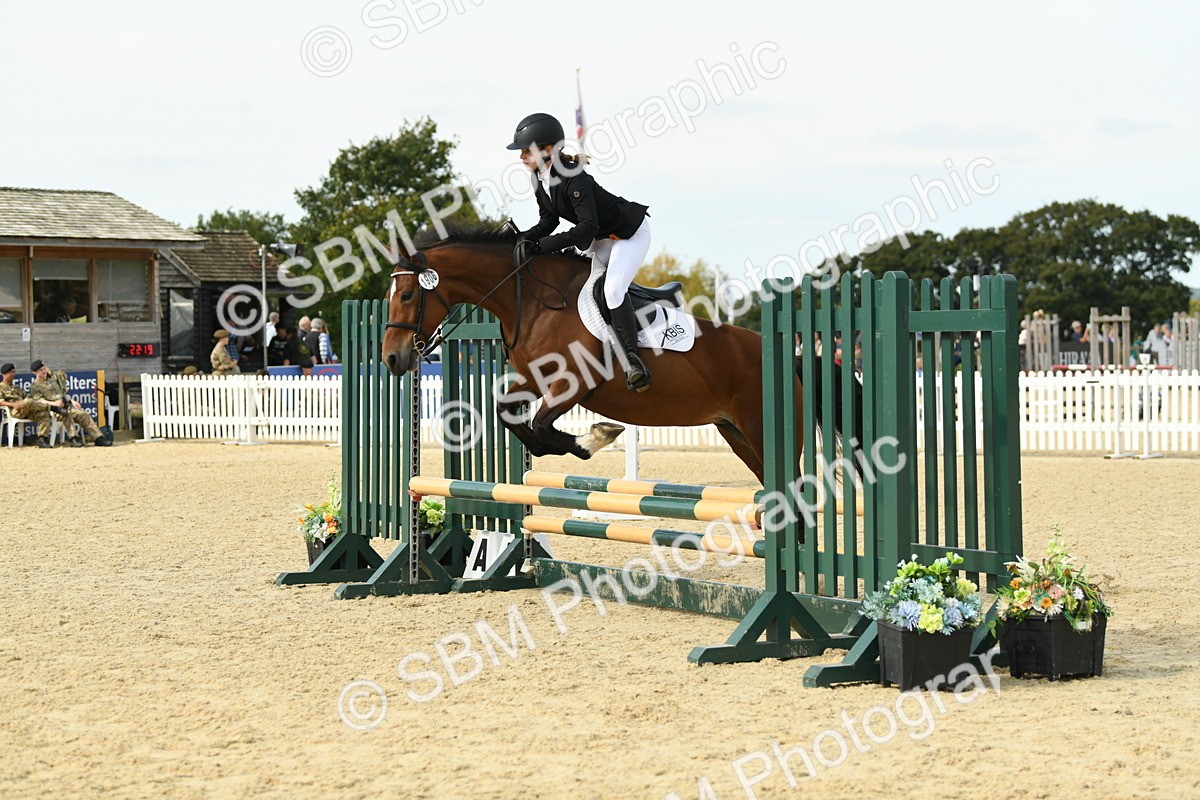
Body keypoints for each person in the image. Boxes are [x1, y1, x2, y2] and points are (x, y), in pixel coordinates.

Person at [507, 112, 652, 391]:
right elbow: (548, 221)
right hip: (601, 237)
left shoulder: (576, 179)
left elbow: (586, 228)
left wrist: (542, 246)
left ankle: (633, 361)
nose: (521, 156)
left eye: (527, 150)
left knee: (611, 291)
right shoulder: (539, 178)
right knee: (578, 286)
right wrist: (523, 238)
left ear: (548, 150)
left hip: (628, 234)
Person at [29, 360, 110, 446]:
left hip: (65, 405)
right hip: (53, 409)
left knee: (83, 414)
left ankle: (98, 438)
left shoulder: (52, 380)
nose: (44, 371)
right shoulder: (35, 386)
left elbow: (62, 394)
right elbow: (39, 401)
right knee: (66, 413)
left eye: (44, 368)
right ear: (35, 372)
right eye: (40, 370)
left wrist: (71, 401)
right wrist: (54, 404)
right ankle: (74, 438)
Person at [1, 362, 64, 448]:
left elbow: (28, 399)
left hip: (26, 410)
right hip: (14, 411)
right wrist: (12, 404)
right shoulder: (1, 387)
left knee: (43, 413)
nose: (13, 374)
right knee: (28, 401)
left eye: (13, 372)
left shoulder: (16, 388)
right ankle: (52, 408)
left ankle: (42, 438)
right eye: (10, 373)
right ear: (4, 374)